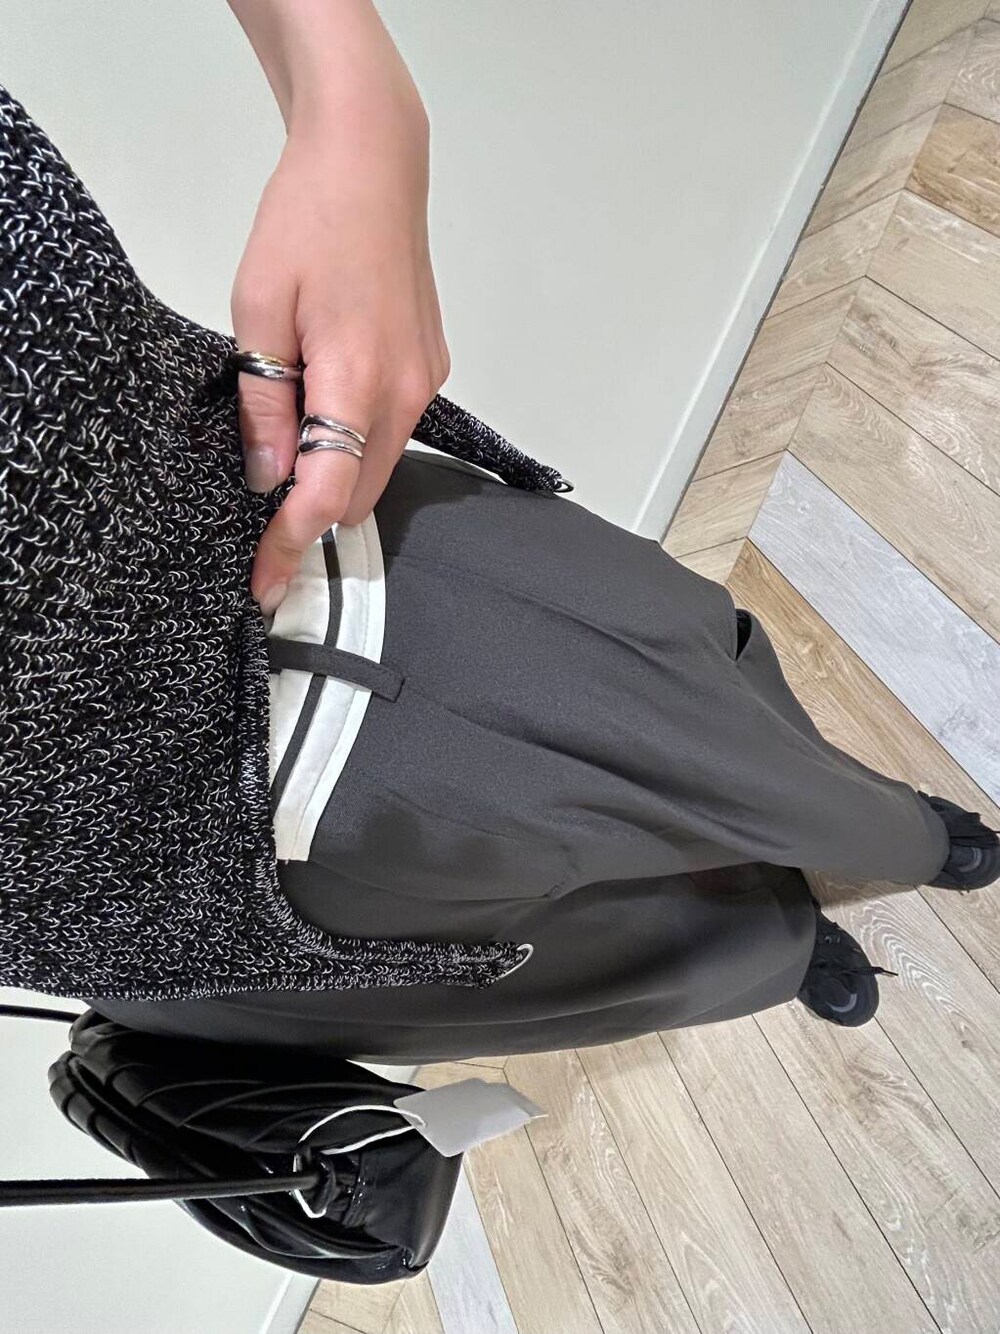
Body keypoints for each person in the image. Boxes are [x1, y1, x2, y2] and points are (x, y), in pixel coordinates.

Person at [1, 11, 996, 1071]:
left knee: (690, 714)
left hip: (264, 547)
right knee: (559, 965)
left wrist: (354, 108)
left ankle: (885, 830)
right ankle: (771, 947)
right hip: (116, 900)